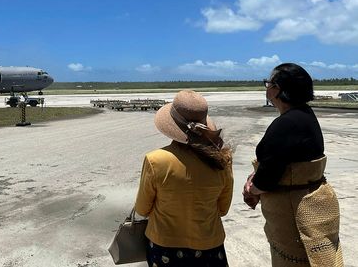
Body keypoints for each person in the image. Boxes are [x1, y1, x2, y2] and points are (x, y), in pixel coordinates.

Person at [243, 63, 343, 266]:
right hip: (310, 200)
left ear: (277, 89)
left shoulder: (286, 124)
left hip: (292, 209)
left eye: (268, 83)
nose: (267, 88)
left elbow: (269, 176)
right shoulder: (304, 114)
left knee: (294, 260)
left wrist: (251, 190)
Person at [135, 90, 233, 267]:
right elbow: (223, 209)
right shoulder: (222, 160)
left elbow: (142, 208)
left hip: (164, 245)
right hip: (209, 244)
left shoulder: (155, 160)